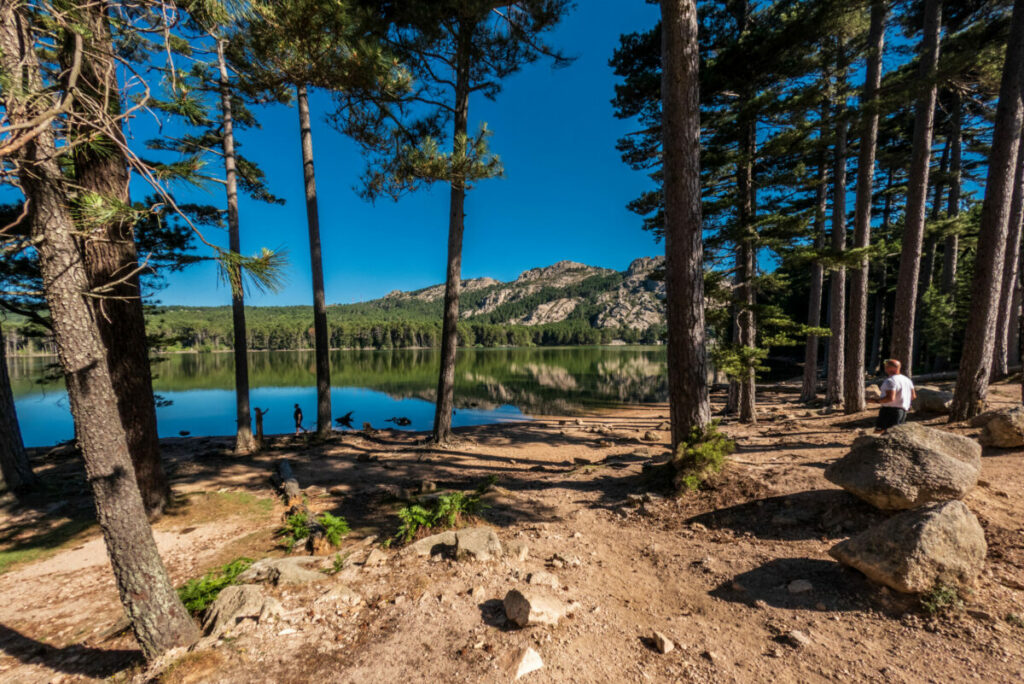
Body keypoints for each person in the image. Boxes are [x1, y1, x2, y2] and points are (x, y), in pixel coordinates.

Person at [867, 359, 916, 433]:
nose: (885, 368)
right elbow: (913, 396)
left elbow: (890, 398)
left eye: (886, 366)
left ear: (890, 368)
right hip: (902, 411)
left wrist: (875, 401)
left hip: (889, 411)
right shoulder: (907, 380)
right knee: (895, 433)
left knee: (880, 432)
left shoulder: (890, 381)